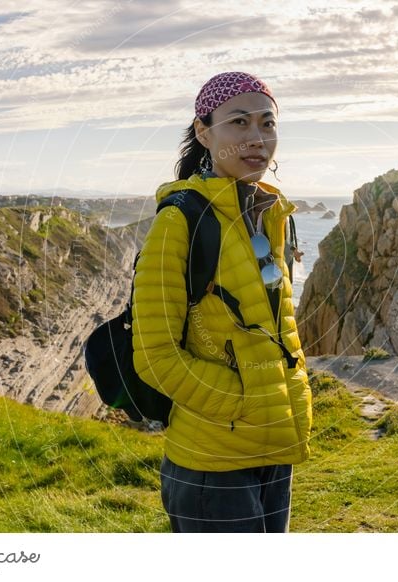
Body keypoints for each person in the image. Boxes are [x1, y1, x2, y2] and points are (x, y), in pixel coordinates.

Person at [131, 72, 313, 533]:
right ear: (203, 131)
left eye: (267, 123)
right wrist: (243, 402)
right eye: (239, 122)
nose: (257, 139)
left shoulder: (271, 215)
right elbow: (155, 356)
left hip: (274, 450)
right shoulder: (180, 221)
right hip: (213, 463)